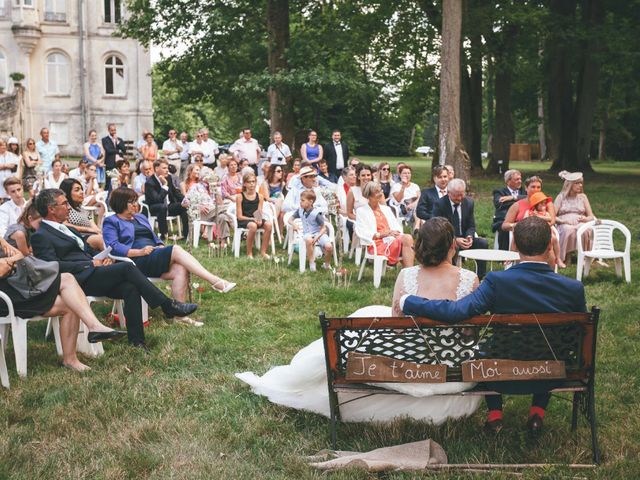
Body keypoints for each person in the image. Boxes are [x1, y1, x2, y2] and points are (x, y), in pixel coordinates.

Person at [235, 217, 481, 423]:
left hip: (410, 364)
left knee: (367, 314)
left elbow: (396, 328)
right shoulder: (469, 278)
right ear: (452, 246)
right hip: (452, 370)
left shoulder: (406, 276)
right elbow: (469, 334)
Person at [402, 216, 587, 434]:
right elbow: (578, 334)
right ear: (549, 246)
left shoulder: (497, 281)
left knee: (480, 350)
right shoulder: (573, 288)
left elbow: (456, 311)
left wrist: (409, 301)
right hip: (554, 371)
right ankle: (537, 413)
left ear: (514, 245)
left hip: (499, 370)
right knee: (550, 345)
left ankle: (495, 416)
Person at [31, 189, 197, 352]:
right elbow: (52, 266)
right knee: (126, 267)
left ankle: (137, 342)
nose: (69, 207)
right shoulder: (41, 236)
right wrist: (90, 264)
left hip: (92, 274)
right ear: (51, 209)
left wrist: (102, 257)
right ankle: (167, 305)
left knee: (130, 288)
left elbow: (85, 252)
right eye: (64, 203)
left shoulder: (68, 229)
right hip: (75, 282)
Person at [0, 236, 127, 371]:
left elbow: (20, 255)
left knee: (70, 301)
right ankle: (94, 327)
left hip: (21, 290)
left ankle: (71, 358)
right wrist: (9, 261)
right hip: (8, 298)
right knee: (67, 281)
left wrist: (5, 251)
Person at [104, 187, 235, 304]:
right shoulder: (111, 221)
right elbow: (113, 246)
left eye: (135, 201)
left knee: (180, 269)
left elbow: (154, 237)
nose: (135, 204)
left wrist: (160, 245)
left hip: (152, 255)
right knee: (176, 249)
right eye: (131, 202)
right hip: (135, 261)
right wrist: (139, 252)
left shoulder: (140, 218)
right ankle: (215, 281)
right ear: (121, 203)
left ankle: (179, 314)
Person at [433, 178, 489, 278]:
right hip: (447, 240)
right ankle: (452, 275)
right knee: (450, 246)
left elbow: (471, 225)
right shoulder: (440, 204)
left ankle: (480, 276)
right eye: (456, 195)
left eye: (461, 194)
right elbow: (438, 229)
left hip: (464, 238)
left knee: (482, 243)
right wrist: (454, 239)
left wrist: (469, 236)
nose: (459, 198)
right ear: (449, 193)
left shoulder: (468, 203)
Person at [356, 181, 414, 268]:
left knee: (407, 238)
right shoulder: (361, 211)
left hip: (391, 239)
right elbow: (361, 231)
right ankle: (409, 275)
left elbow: (396, 225)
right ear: (369, 195)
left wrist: (395, 233)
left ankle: (408, 274)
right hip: (376, 244)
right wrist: (382, 234)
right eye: (377, 192)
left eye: (381, 191)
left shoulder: (386, 209)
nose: (380, 193)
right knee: (408, 241)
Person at [183, 164, 233, 248]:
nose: (213, 178)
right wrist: (199, 206)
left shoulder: (214, 188)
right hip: (201, 214)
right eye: (210, 176)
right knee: (229, 207)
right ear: (204, 177)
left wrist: (216, 192)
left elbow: (220, 204)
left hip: (214, 212)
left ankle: (222, 242)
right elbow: (184, 203)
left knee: (222, 217)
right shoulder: (196, 187)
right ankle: (233, 215)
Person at [553, 171, 595, 266]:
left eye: (581, 183)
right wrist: (563, 221)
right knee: (568, 230)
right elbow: (553, 216)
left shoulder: (583, 197)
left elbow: (591, 216)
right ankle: (567, 257)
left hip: (580, 222)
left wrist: (586, 219)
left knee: (584, 229)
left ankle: (583, 256)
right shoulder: (561, 197)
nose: (580, 185)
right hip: (564, 223)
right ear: (570, 185)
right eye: (577, 183)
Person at [289, 190, 333, 271]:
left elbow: (323, 228)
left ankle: (326, 264)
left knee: (329, 247)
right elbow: (290, 219)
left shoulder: (316, 213)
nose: (300, 202)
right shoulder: (300, 210)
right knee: (309, 240)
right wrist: (294, 225)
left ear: (310, 202)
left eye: (302, 200)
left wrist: (317, 237)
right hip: (307, 233)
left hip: (319, 233)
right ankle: (312, 264)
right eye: (300, 200)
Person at [145, 158, 189, 240]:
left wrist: (185, 200)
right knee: (162, 207)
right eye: (164, 168)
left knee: (183, 206)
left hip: (169, 206)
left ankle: (186, 235)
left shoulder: (168, 177)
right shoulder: (149, 183)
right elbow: (157, 199)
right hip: (155, 208)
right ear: (157, 168)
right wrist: (165, 185)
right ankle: (164, 235)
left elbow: (175, 192)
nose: (167, 170)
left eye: (167, 168)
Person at [59, 179, 104, 251]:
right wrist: (88, 230)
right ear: (67, 193)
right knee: (100, 239)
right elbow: (64, 224)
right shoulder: (66, 209)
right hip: (77, 237)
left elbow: (93, 225)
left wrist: (99, 232)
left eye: (82, 189)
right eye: (77, 190)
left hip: (90, 236)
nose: (82, 192)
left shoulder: (84, 210)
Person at [236, 171, 273, 259]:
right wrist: (253, 219)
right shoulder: (240, 196)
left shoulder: (260, 196)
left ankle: (263, 252)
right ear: (245, 184)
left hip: (255, 218)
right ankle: (249, 253)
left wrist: (259, 219)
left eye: (253, 181)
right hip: (244, 220)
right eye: (249, 182)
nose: (252, 184)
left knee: (269, 225)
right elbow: (239, 216)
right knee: (253, 226)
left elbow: (259, 211)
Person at [524, 192, 564, 268]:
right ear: (535, 205)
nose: (544, 205)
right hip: (532, 233)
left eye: (545, 203)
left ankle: (558, 258)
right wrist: (533, 216)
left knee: (554, 239)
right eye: (541, 203)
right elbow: (524, 220)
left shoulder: (546, 213)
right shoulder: (529, 212)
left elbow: (550, 219)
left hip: (545, 233)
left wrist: (538, 216)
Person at [492, 169, 526, 250]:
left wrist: (513, 197)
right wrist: (520, 202)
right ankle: (504, 257)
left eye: (520, 179)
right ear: (508, 181)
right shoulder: (499, 192)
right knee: (505, 228)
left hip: (522, 218)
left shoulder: (524, 191)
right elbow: (499, 204)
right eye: (517, 179)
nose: (520, 181)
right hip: (503, 219)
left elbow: (531, 198)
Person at [259, 162, 286, 234]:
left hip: (276, 205)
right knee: (279, 202)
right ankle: (272, 223)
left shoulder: (282, 184)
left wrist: (278, 201)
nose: (281, 173)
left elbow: (281, 195)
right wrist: (277, 201)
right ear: (273, 173)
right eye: (278, 171)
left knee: (282, 213)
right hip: (265, 205)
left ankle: (280, 233)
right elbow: (267, 198)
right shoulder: (265, 183)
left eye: (281, 171)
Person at [102, 124, 126, 191]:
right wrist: (118, 151)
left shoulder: (119, 139)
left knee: (118, 180)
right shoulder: (105, 140)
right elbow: (108, 150)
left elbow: (124, 150)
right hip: (110, 163)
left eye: (114, 130)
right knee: (109, 181)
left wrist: (117, 142)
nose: (113, 132)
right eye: (112, 130)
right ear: (109, 130)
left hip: (119, 164)